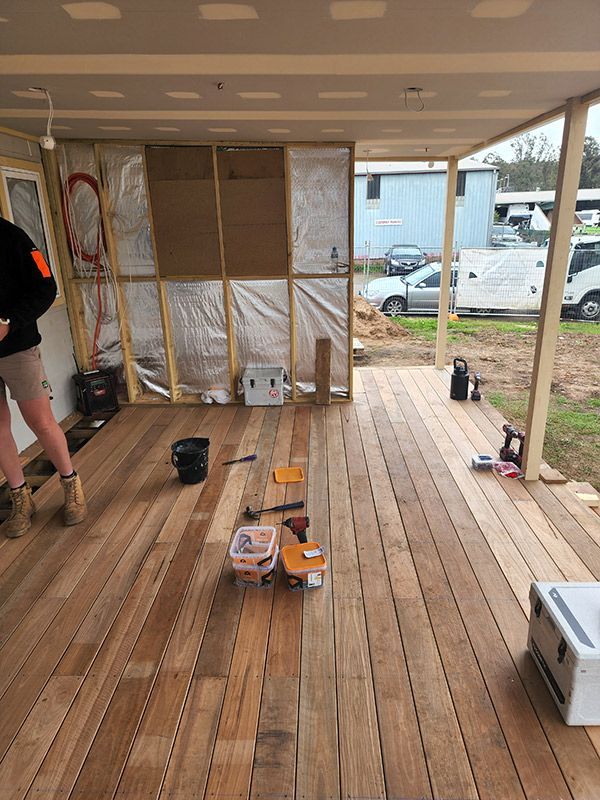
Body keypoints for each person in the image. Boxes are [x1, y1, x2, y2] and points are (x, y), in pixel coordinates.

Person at [0, 217, 86, 538]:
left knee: (42, 422)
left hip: (17, 348)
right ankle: (21, 498)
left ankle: (71, 484)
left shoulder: (12, 238)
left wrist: (9, 321)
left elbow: (46, 286)